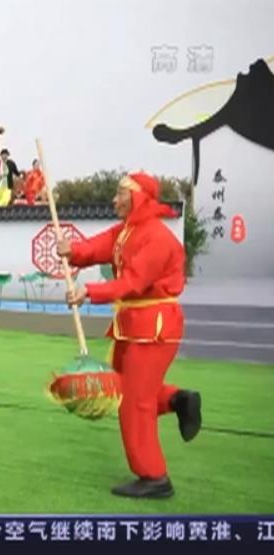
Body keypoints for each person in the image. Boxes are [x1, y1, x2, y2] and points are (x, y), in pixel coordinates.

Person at [58, 171, 202, 498]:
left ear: (138, 198)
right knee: (127, 390)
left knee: (135, 403)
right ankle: (177, 399)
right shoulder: (127, 231)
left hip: (153, 328)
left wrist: (89, 291)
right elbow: (99, 246)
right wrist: (72, 250)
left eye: (121, 194)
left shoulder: (158, 239)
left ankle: (154, 476)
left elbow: (133, 282)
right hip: (133, 325)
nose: (114, 200)